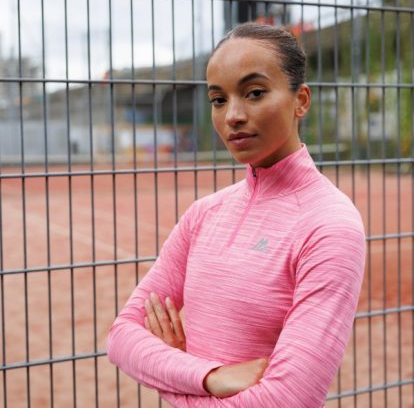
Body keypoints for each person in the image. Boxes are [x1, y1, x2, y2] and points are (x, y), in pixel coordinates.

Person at [107, 22, 366, 407]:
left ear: (301, 100)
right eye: (218, 99)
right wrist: (207, 376)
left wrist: (170, 376)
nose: (233, 116)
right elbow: (122, 336)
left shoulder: (329, 226)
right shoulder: (203, 215)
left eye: (255, 93)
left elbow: (288, 398)